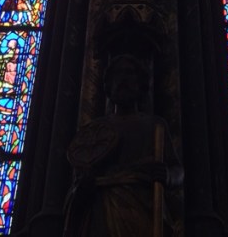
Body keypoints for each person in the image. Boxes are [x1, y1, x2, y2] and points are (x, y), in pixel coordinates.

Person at [63, 54, 182, 236]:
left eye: (129, 73)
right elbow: (80, 176)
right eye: (117, 74)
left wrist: (167, 175)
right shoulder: (95, 130)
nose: (123, 79)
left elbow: (177, 170)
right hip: (102, 209)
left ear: (141, 84)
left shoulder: (154, 125)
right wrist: (83, 186)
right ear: (108, 86)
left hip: (142, 206)